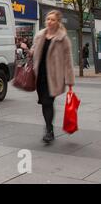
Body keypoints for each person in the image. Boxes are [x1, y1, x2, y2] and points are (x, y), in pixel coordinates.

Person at [25, 10, 75, 143]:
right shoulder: (40, 35)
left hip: (54, 76)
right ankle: (49, 127)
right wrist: (27, 50)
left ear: (58, 22)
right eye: (48, 19)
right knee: (44, 103)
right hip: (40, 75)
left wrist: (69, 79)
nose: (49, 22)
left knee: (48, 101)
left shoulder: (62, 38)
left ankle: (49, 130)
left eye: (52, 20)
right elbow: (34, 52)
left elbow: (68, 60)